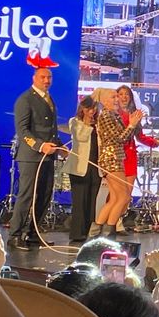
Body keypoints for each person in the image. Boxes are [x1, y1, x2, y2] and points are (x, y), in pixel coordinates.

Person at [9, 67, 62, 250]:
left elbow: (49, 128)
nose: (46, 80)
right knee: (27, 196)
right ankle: (15, 235)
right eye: (43, 77)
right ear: (34, 78)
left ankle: (33, 232)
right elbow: (23, 131)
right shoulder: (25, 99)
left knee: (45, 195)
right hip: (31, 156)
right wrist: (40, 145)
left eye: (49, 77)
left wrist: (59, 146)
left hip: (48, 156)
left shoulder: (48, 98)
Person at [114, 85, 159, 234]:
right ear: (116, 96)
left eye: (127, 94)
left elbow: (140, 137)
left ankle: (118, 221)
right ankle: (114, 223)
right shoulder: (113, 114)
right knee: (116, 195)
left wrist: (158, 142)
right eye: (121, 94)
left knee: (126, 196)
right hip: (117, 157)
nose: (124, 97)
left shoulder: (134, 114)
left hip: (130, 156)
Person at [92, 89, 143, 238]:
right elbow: (119, 139)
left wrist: (132, 123)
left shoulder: (115, 116)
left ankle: (96, 233)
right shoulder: (106, 116)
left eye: (117, 96)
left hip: (116, 158)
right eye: (113, 97)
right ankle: (108, 234)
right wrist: (132, 125)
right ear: (105, 101)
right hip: (111, 159)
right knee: (123, 198)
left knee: (115, 198)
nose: (117, 99)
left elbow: (125, 138)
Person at [62, 96, 102, 241]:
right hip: (79, 167)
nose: (91, 111)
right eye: (88, 108)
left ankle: (89, 232)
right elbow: (81, 137)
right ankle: (77, 233)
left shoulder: (98, 123)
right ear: (82, 109)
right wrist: (87, 123)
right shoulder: (75, 122)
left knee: (92, 201)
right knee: (80, 201)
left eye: (93, 108)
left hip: (95, 166)